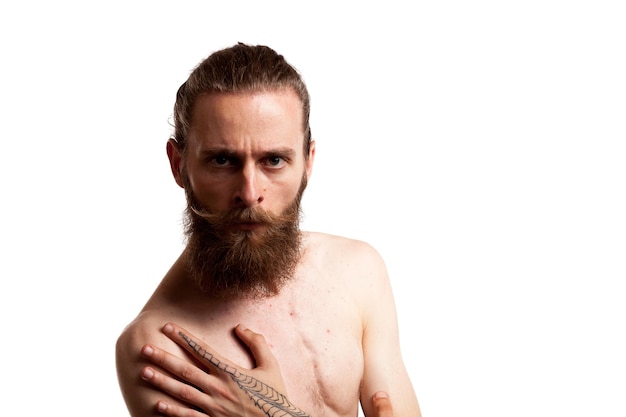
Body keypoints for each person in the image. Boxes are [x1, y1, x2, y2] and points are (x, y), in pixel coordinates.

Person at [115, 42, 421, 417]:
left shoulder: (357, 271)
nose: (249, 192)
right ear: (179, 165)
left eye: (273, 160)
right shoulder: (159, 347)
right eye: (223, 160)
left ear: (308, 162)